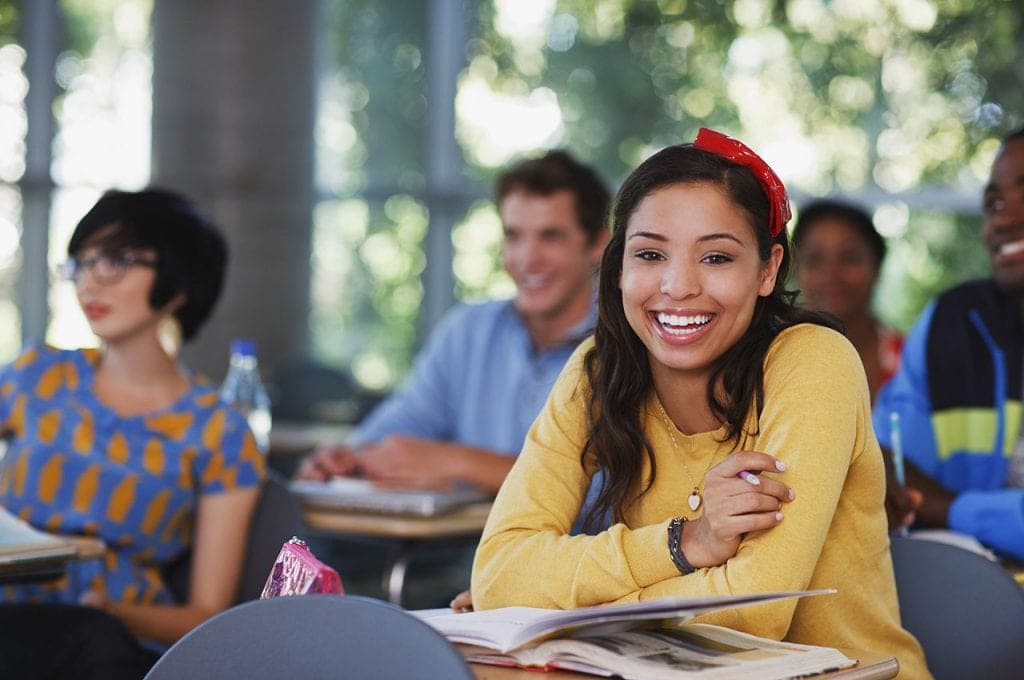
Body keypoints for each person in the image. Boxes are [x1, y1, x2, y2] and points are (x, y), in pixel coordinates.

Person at [471, 129, 929, 678]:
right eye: (649, 253)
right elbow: (498, 575)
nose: (678, 285)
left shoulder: (814, 362)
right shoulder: (598, 370)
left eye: (715, 257)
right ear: (619, 269)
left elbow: (753, 614)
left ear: (767, 269)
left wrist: (556, 612)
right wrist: (686, 542)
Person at [0, 189, 265, 678]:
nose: (89, 283)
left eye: (115, 261)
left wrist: (113, 611)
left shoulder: (217, 430)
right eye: (81, 264)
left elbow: (208, 615)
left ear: (178, 283)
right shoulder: (36, 376)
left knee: (90, 641)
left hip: (101, 642)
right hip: (8, 606)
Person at [296, 149, 610, 493]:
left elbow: (607, 491)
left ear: (597, 244)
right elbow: (404, 424)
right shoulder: (467, 332)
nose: (527, 259)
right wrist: (350, 458)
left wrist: (457, 462)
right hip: (455, 545)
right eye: (513, 236)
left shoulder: (626, 346)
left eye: (551, 237)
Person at [875, 128, 1024, 553]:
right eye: (993, 204)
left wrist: (950, 509)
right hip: (967, 592)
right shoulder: (954, 322)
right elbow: (886, 463)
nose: (1004, 219)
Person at [792, 199, 902, 402]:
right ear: (795, 270)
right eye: (814, 259)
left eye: (849, 257)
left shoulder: (912, 362)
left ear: (876, 267)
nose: (831, 274)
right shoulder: (772, 360)